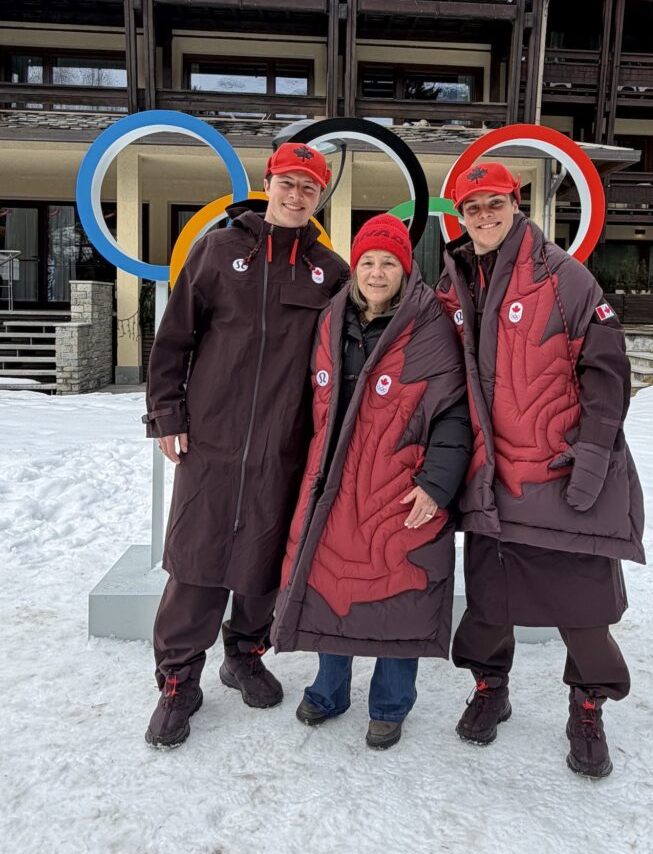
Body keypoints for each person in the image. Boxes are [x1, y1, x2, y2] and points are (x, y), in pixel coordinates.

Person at [435, 161, 645, 778]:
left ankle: (587, 706)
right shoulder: (454, 281)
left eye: (493, 203)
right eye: (472, 207)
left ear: (516, 203)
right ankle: (490, 688)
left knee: (582, 609)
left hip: (557, 470)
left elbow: (608, 372)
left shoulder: (565, 277)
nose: (483, 215)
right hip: (491, 476)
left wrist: (594, 456)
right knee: (489, 603)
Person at [142, 141, 349, 748]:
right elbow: (175, 337)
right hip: (212, 438)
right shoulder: (219, 248)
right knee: (196, 561)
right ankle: (179, 681)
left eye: (309, 188)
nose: (296, 195)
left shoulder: (329, 271)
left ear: (319, 199)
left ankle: (245, 654)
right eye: (289, 183)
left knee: (264, 560)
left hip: (286, 445)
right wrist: (166, 413)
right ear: (270, 182)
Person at [272, 214, 472, 750]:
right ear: (355, 267)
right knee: (333, 584)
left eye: (388, 262)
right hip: (333, 483)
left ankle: (389, 704)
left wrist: (437, 483)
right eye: (367, 262)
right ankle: (330, 689)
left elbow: (452, 414)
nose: (377, 273)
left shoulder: (430, 326)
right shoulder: (332, 319)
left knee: (398, 592)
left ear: (405, 269)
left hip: (401, 485)